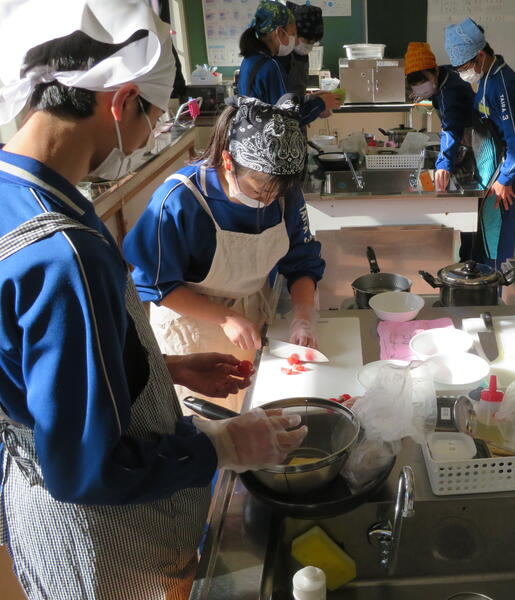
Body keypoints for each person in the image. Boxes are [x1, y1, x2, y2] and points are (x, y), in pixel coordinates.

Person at [0, 2, 306, 599]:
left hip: (36, 501)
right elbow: (86, 469)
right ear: (122, 101)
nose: (147, 138)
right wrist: (225, 444)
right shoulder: (65, 253)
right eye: (155, 119)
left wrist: (160, 371)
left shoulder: (22, 193)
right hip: (97, 534)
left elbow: (33, 368)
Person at [124, 94, 325, 410]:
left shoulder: (285, 195)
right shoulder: (179, 200)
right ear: (228, 161)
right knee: (209, 420)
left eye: (278, 192)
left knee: (257, 408)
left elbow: (301, 261)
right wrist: (225, 317)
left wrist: (303, 316)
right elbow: (155, 284)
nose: (269, 200)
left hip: (254, 315)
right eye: (259, 190)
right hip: (193, 329)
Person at [444, 18, 515, 269]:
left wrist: (506, 179)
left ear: (480, 55)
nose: (464, 73)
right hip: (487, 169)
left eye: (465, 67)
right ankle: (479, 277)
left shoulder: (504, 84)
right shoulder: (486, 78)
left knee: (495, 235)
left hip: (503, 173)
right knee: (482, 232)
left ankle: (494, 282)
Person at [238, 0, 341, 125]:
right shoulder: (271, 67)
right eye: (293, 34)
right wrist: (320, 104)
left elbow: (277, 106)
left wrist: (309, 99)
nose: (295, 41)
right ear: (279, 32)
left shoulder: (249, 60)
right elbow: (286, 119)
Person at [404, 41, 475, 193]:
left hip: (471, 142)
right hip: (460, 138)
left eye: (423, 81)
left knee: (465, 189)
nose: (420, 86)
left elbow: (451, 129)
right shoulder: (443, 76)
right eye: (416, 83)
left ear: (435, 70)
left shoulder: (450, 91)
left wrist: (443, 165)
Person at [282, 1, 324, 99]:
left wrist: (313, 99)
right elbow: (283, 102)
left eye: (313, 43)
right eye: (307, 41)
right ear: (294, 32)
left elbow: (299, 92)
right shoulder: (280, 57)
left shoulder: (301, 55)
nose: (309, 47)